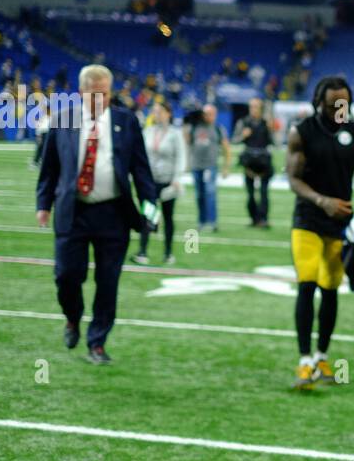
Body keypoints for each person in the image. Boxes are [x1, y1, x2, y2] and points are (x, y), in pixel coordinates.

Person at [35, 64, 158, 364]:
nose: (100, 100)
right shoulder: (63, 121)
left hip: (113, 213)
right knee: (66, 275)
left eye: (105, 94)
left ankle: (97, 342)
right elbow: (49, 168)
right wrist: (43, 204)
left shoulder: (126, 122)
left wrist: (150, 211)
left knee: (108, 280)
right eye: (94, 94)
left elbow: (141, 171)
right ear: (81, 93)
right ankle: (72, 317)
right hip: (73, 210)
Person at [285, 76, 354, 388]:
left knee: (330, 290)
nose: (339, 110)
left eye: (344, 104)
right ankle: (304, 362)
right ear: (319, 102)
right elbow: (293, 179)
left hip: (341, 224)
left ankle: (322, 357)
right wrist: (322, 201)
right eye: (333, 105)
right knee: (307, 283)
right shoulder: (301, 132)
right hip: (308, 219)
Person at [134, 101, 187, 265]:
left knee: (168, 216)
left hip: (167, 181)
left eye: (160, 111)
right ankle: (142, 251)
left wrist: (177, 178)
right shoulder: (148, 131)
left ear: (168, 113)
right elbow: (140, 155)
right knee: (148, 215)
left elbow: (181, 157)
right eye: (154, 112)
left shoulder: (175, 133)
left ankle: (168, 253)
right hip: (150, 182)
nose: (156, 114)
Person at [187, 104, 229, 233]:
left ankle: (212, 222)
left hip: (210, 165)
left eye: (211, 114)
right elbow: (187, 143)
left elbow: (226, 148)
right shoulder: (194, 127)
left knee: (210, 193)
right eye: (206, 113)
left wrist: (226, 167)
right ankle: (201, 221)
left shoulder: (217, 128)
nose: (208, 116)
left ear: (215, 115)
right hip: (196, 166)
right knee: (199, 195)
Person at [237, 97, 275, 228]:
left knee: (264, 192)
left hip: (264, 162)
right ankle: (253, 218)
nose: (253, 109)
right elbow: (235, 140)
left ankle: (263, 219)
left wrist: (271, 130)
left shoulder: (267, 123)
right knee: (250, 193)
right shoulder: (243, 122)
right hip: (249, 162)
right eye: (251, 106)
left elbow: (275, 142)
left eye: (256, 106)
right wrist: (243, 136)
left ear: (261, 108)